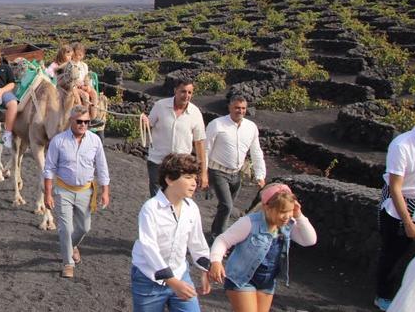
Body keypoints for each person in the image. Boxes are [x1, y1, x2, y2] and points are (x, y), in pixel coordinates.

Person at [209, 184, 317, 312]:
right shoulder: (249, 223)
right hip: (241, 279)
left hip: (267, 282)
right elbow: (223, 240)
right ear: (267, 207)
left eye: (290, 211)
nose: (287, 216)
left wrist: (299, 216)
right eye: (282, 212)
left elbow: (309, 240)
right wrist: (216, 261)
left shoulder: (287, 225)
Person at [131, 153, 211, 311]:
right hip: (148, 279)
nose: (194, 183)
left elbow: (197, 242)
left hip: (180, 274)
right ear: (169, 179)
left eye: (195, 178)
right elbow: (149, 247)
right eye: (188, 177)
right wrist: (172, 282)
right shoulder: (150, 208)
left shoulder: (191, 208)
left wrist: (204, 271)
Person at [43, 105, 110, 278]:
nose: (83, 125)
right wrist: (48, 193)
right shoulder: (58, 141)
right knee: (65, 228)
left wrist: (105, 191)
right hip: (63, 189)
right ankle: (68, 263)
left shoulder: (95, 141)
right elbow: (49, 168)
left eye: (86, 122)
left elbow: (102, 167)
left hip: (86, 191)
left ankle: (71, 246)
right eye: (79, 121)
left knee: (85, 227)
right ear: (71, 121)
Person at [205, 95, 267, 239]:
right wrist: (204, 173)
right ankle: (220, 237)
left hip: (236, 174)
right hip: (218, 170)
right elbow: (206, 149)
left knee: (226, 206)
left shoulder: (251, 127)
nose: (240, 111)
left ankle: (215, 232)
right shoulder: (217, 124)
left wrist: (260, 175)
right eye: (237, 108)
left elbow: (256, 152)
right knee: (227, 206)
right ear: (230, 107)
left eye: (243, 108)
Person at [374, 124, 415, 311]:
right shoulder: (402, 145)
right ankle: (383, 295)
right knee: (392, 253)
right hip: (398, 204)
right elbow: (395, 188)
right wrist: (407, 222)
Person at [142, 78, 207, 197]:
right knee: (157, 198)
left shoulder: (195, 113)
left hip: (181, 164)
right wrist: (144, 122)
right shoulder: (160, 106)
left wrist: (203, 173)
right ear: (175, 90)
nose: (186, 95)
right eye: (183, 91)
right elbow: (148, 126)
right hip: (158, 161)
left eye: (189, 92)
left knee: (178, 198)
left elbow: (199, 143)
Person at [70, 43, 100, 121]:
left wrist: (88, 85)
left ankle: (93, 117)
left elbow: (86, 76)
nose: (78, 57)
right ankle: (84, 117)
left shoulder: (84, 65)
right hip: (75, 87)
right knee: (85, 95)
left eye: (80, 55)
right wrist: (79, 85)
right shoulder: (70, 65)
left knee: (94, 94)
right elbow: (70, 79)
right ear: (73, 54)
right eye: (76, 54)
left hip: (84, 85)